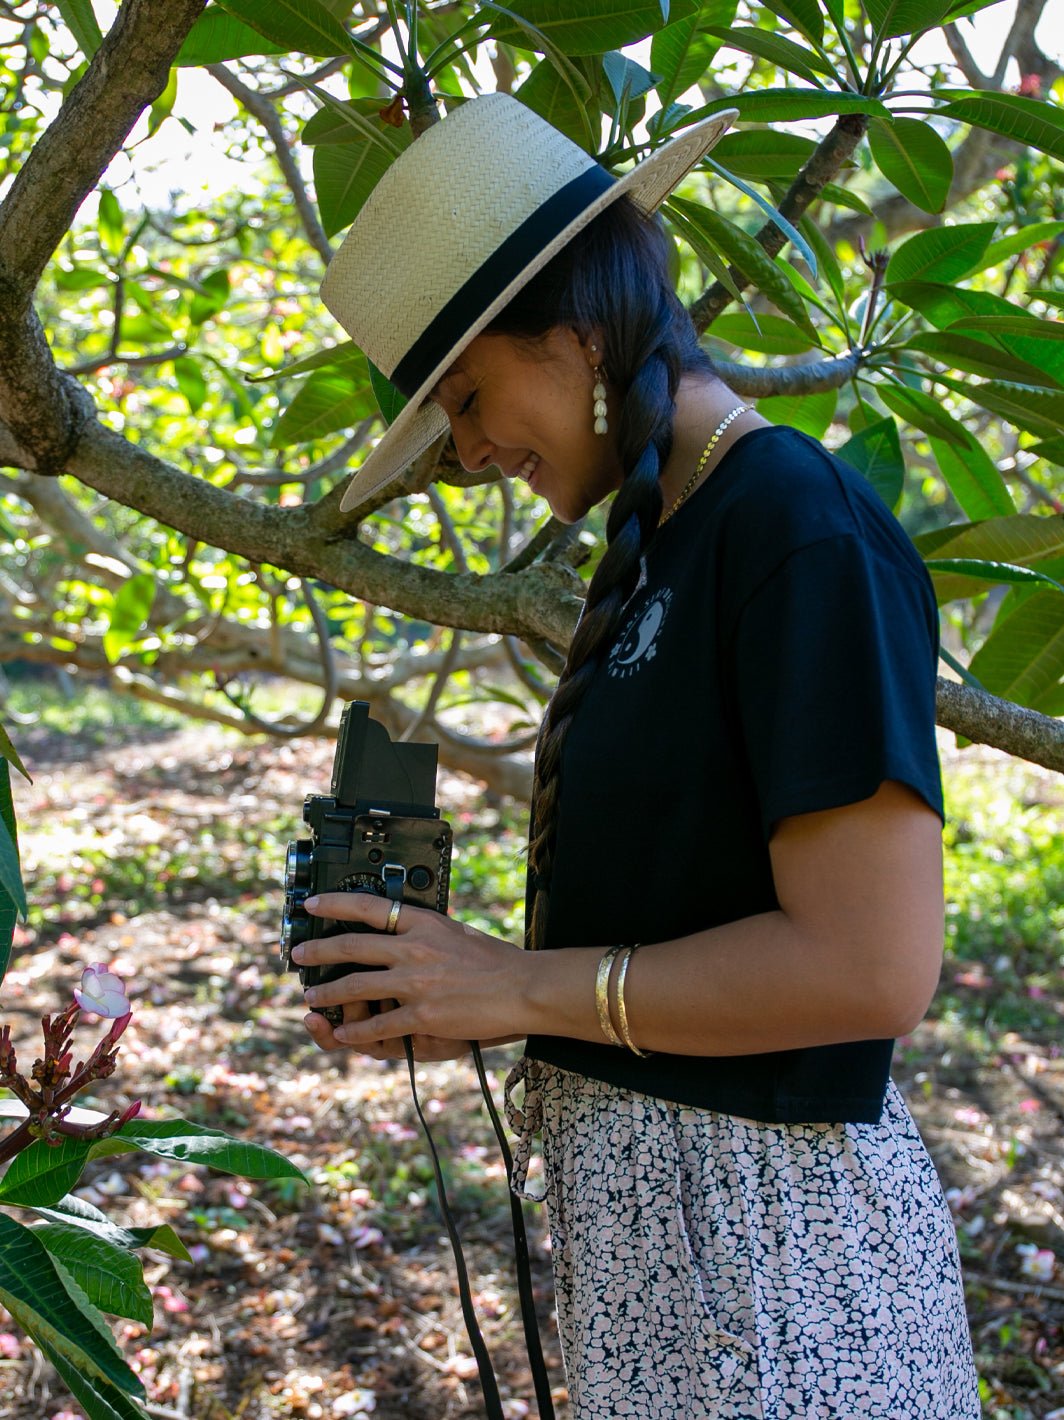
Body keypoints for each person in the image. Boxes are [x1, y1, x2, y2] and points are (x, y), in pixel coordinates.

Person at [293, 93, 980, 1417]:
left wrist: (526, 988)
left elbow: (873, 966)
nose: (474, 450)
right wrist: (457, 989)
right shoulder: (668, 539)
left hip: (779, 1273)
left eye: (472, 394)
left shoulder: (795, 531)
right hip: (662, 1267)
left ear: (580, 331)